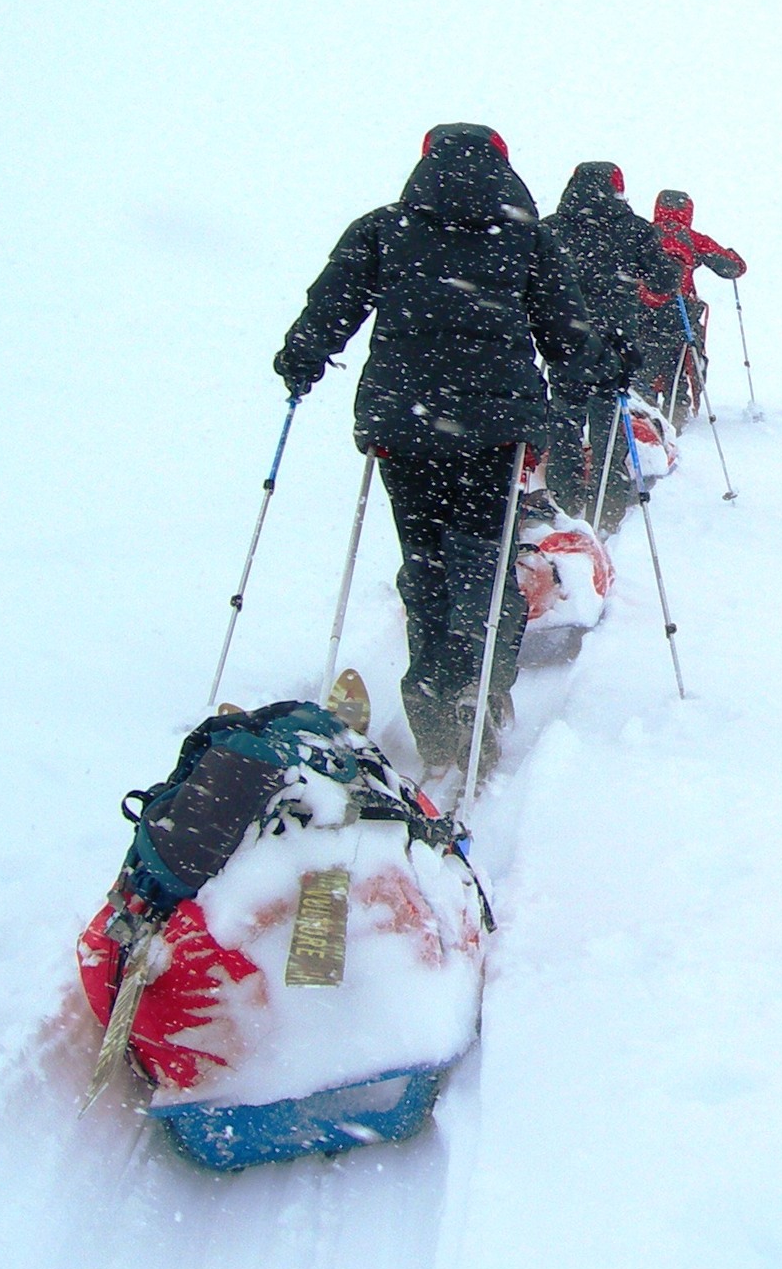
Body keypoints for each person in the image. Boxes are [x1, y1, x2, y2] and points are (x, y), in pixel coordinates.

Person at [272, 124, 624, 788]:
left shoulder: (385, 227)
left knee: (426, 557)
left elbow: (332, 305)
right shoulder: (526, 236)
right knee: (486, 564)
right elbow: (566, 328)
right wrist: (588, 374)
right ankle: (479, 690)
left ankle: (434, 697)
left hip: (405, 427)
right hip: (493, 429)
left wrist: (303, 356)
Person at [540, 162, 676, 533]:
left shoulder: (551, 228)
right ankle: (608, 506)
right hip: (615, 343)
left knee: (565, 419)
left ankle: (565, 503)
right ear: (618, 189)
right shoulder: (633, 229)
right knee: (608, 424)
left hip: (565, 338)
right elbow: (664, 279)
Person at [634, 189, 746, 423]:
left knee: (644, 359)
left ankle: (643, 411)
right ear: (688, 212)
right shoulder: (692, 238)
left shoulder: (642, 233)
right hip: (680, 311)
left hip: (642, 310)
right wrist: (734, 258)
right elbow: (733, 267)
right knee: (679, 362)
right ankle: (677, 411)